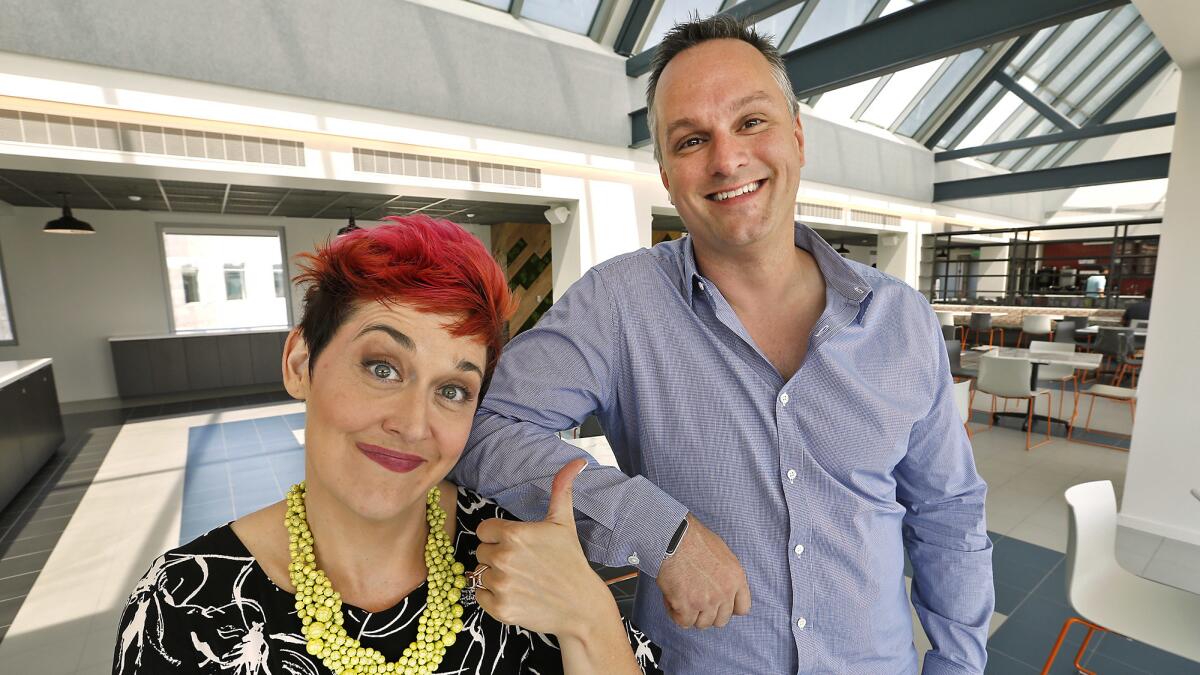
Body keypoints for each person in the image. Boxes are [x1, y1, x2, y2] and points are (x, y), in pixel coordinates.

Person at [453, 16, 993, 674]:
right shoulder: (619, 304)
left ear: (797, 137)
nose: (727, 158)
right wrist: (658, 527)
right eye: (691, 139)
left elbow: (949, 512)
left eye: (752, 122)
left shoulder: (900, 319)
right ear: (666, 174)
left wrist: (959, 665)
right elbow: (480, 428)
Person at [113, 216, 662, 674]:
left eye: (452, 389)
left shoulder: (524, 559)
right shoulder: (183, 605)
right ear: (301, 363)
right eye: (382, 367)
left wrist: (590, 618)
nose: (413, 424)